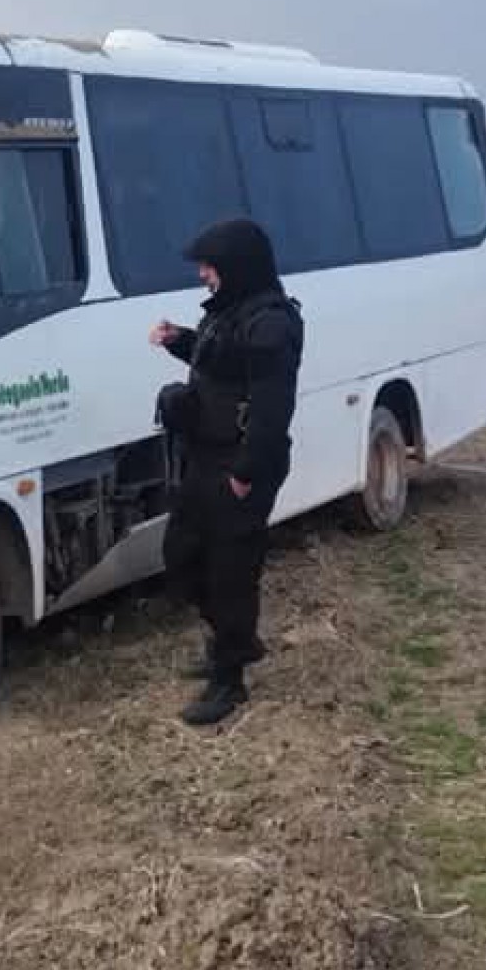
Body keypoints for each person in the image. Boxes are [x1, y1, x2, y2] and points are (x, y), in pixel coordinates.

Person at [150, 218, 304, 728]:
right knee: (183, 555)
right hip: (205, 455)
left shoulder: (272, 324)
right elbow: (217, 357)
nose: (202, 275)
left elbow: (271, 407)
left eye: (209, 267)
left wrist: (246, 472)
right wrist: (179, 341)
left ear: (235, 267)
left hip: (241, 464)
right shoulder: (230, 313)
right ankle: (234, 642)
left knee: (231, 574)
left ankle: (228, 681)